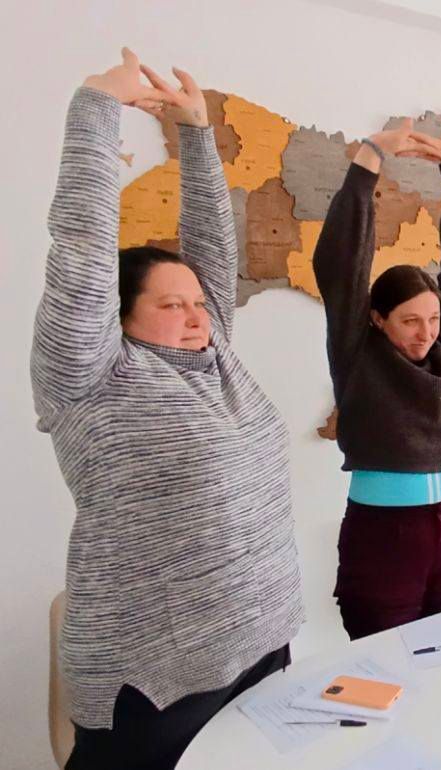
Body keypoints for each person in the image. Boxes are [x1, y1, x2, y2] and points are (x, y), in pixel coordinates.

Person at [32, 50, 303, 769]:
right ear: (117, 316)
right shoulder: (93, 377)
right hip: (155, 679)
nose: (195, 315)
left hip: (261, 647)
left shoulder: (216, 356)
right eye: (170, 304)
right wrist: (96, 104)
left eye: (199, 302)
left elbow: (212, 241)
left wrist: (196, 132)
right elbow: (83, 249)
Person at [312, 114, 441, 640]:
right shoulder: (357, 351)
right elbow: (341, 263)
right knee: (383, 668)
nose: (426, 333)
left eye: (433, 319)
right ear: (377, 318)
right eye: (409, 321)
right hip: (383, 536)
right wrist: (369, 159)